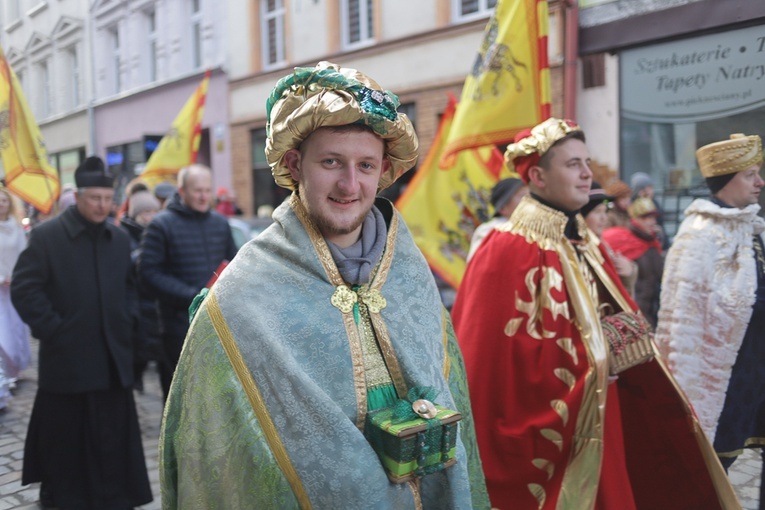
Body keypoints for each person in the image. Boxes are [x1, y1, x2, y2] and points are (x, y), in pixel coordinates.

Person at [159, 61, 489, 509]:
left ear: (383, 171)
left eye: (366, 165)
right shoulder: (244, 291)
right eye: (331, 162)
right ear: (295, 165)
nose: (350, 184)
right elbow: (222, 451)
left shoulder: (409, 269)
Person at [451, 118, 738, 510]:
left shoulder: (585, 241)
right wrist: (595, 359)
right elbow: (485, 365)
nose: (588, 174)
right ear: (537, 175)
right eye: (573, 165)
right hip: (554, 431)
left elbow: (615, 318)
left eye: (587, 162)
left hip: (604, 415)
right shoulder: (504, 249)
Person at [10, 156, 152, 509]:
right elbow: (25, 290)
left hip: (111, 360)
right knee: (68, 447)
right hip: (69, 365)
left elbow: (131, 287)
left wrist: (128, 321)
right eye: (95, 199)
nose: (103, 206)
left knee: (112, 443)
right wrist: (55, 329)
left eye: (108, 199)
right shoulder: (47, 237)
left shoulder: (118, 240)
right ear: (80, 197)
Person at [656, 133, 765, 506]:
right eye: (752, 174)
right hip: (724, 383)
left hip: (758, 375)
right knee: (711, 476)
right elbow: (679, 327)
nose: (760, 183)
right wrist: (682, 400)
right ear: (729, 177)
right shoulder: (697, 236)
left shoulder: (753, 230)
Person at [139, 164, 237, 399]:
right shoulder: (161, 224)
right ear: (182, 191)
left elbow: (235, 264)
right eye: (197, 191)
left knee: (216, 400)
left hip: (216, 326)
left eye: (207, 190)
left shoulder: (220, 223)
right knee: (182, 398)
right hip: (177, 328)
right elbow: (148, 273)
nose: (204, 196)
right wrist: (192, 295)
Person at [120, 191, 163, 393]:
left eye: (154, 211)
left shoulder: (159, 231)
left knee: (153, 347)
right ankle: (134, 377)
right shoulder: (125, 235)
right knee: (139, 348)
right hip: (137, 299)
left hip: (155, 299)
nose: (151, 216)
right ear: (136, 214)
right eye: (146, 212)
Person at [602, 197, 663, 327]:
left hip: (653, 312)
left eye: (653, 217)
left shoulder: (653, 242)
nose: (652, 222)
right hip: (634, 314)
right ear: (635, 219)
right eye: (646, 218)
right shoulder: (622, 241)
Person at [0, 186, 29, 410]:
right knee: (4, 334)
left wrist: (16, 275)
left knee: (18, 330)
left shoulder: (17, 228)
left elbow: (24, 254)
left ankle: (15, 370)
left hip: (16, 286)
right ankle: (5, 373)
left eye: (4, 201)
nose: (2, 204)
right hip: (0, 288)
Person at [582, 182, 637, 296]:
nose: (604, 218)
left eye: (605, 211)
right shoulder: (582, 249)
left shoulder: (603, 244)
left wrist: (630, 271)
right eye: (597, 211)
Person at [466, 177, 527, 261]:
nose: (531, 201)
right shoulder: (489, 231)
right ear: (503, 208)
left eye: (531, 195)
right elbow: (479, 266)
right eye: (523, 196)